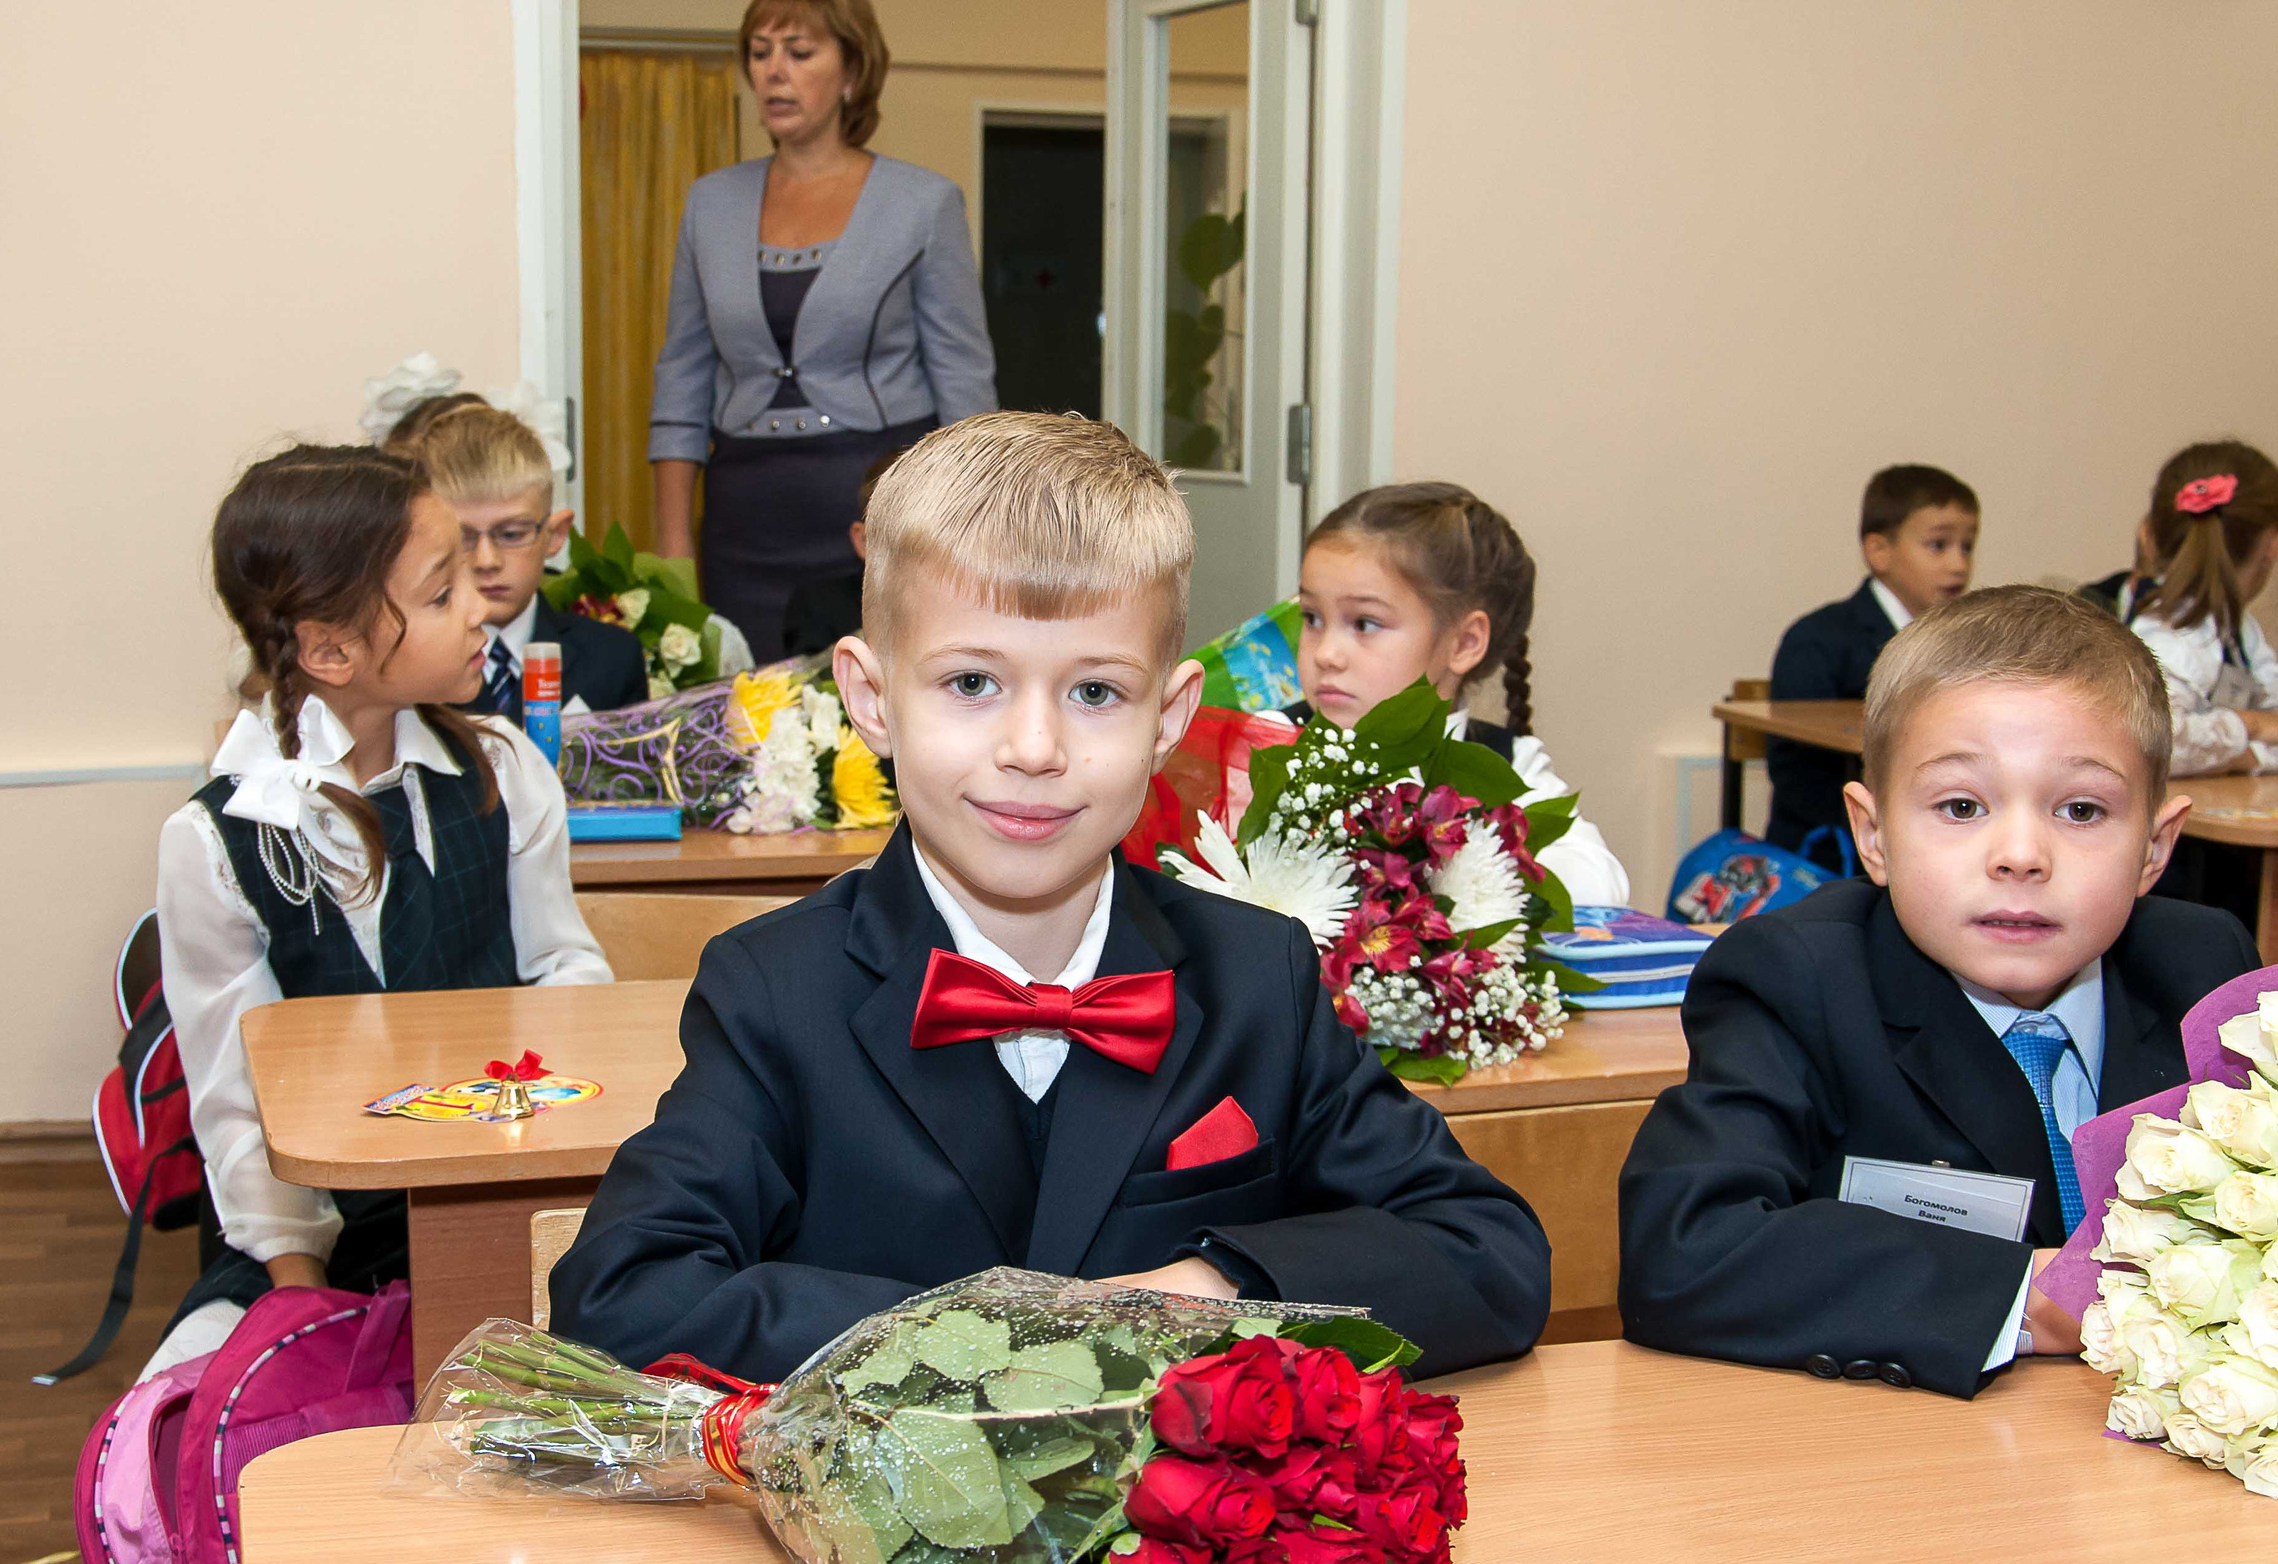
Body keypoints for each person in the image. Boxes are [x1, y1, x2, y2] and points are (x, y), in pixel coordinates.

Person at [550, 413, 1552, 1382]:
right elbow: (623, 1297)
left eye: (1095, 694)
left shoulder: (1258, 978)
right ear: (869, 700)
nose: (1033, 750)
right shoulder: (775, 989)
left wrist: (1204, 1291)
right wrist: (995, 1341)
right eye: (972, 684)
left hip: (1187, 1538)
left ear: (1168, 717)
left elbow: (1485, 1250)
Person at [1618, 585, 2258, 1399]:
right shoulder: (1798, 976)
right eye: (1962, 805)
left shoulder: (2207, 967)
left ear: (2155, 848)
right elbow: (1684, 1248)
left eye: (2082, 809)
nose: (2021, 854)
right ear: (1874, 832)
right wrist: (2031, 1296)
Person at [151, 445, 612, 1372]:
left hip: (503, 1201)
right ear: (331, 649)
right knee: (185, 1416)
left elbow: (567, 970)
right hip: (315, 1245)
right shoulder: (218, 843)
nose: (483, 605)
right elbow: (234, 1110)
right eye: (442, 594)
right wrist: (303, 1300)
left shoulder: (504, 770)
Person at [649, 0, 995, 661]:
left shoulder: (924, 204)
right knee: (739, 725)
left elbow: (965, 390)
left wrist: (968, 539)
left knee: (870, 734)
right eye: (760, 51)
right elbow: (682, 380)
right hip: (740, 524)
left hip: (878, 520)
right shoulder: (709, 203)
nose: (774, 72)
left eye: (799, 53)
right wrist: (673, 546)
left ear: (851, 72)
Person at [1286, 483, 1630, 908]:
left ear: (1465, 643)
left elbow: (1601, 884)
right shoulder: (1266, 740)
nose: (1326, 653)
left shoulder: (1509, 763)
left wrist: (1434, 855)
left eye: (1365, 624)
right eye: (1312, 617)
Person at [1765, 464, 1980, 866]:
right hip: (1830, 854)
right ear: (1879, 551)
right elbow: (1796, 774)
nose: (1958, 564)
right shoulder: (1818, 639)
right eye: (1938, 546)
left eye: (1967, 546)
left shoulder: (1967, 643)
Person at [397, 398, 648, 721]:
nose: (487, 561)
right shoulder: (410, 666)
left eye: (512, 534)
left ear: (555, 535)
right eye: (463, 538)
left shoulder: (610, 658)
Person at [2122, 441, 2278, 777]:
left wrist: (2250, 754)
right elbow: (2151, 743)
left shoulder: (2240, 630)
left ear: (2150, 536)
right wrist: (2254, 726)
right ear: (2274, 546)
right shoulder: (2169, 631)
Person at [781, 443, 906, 657]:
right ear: (863, 541)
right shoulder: (819, 607)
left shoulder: (971, 601)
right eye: (900, 532)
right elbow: (811, 682)